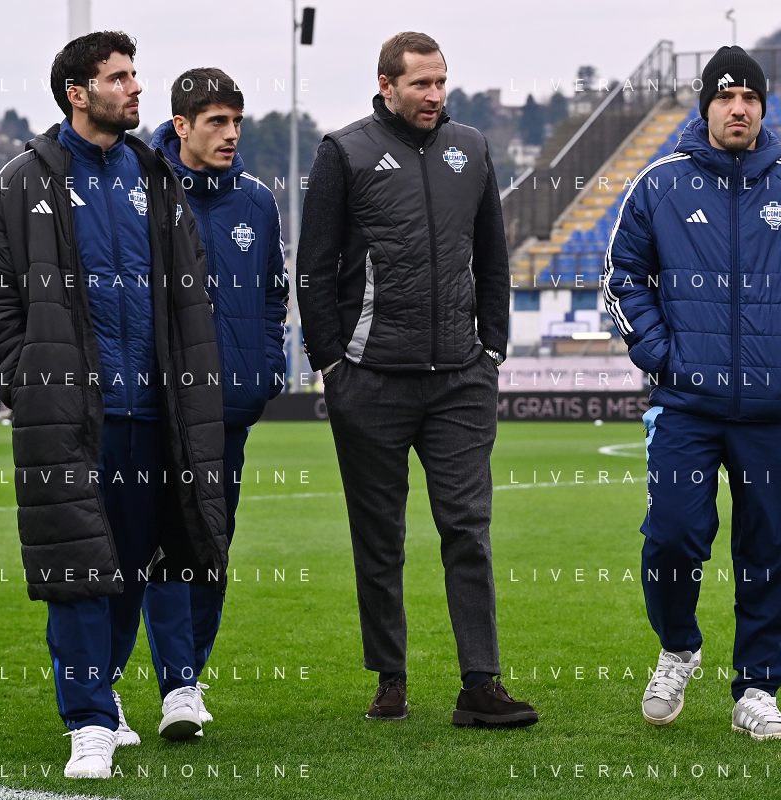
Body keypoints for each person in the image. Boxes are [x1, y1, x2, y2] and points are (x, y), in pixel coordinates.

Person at [0, 30, 227, 779]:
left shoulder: (156, 177)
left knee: (136, 569)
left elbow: (191, 287)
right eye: (119, 78)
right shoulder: (24, 180)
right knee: (77, 568)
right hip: (73, 414)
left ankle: (103, 694)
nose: (135, 87)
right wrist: (25, 373)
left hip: (157, 414)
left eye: (135, 75)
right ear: (78, 94)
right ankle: (87, 723)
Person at [297, 31, 537, 729]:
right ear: (387, 85)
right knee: (379, 537)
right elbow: (314, 268)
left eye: (440, 82)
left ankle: (481, 683)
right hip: (370, 379)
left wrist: (491, 350)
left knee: (467, 529)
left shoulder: (472, 148)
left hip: (461, 379)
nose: (434, 95)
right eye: (420, 84)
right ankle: (390, 678)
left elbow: (492, 259)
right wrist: (332, 364)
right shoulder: (344, 152)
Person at [605, 45, 781, 741]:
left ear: (762, 107)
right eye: (724, 96)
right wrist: (662, 358)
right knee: (672, 537)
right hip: (684, 405)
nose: (737, 108)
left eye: (749, 98)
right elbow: (623, 276)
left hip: (768, 411)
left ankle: (757, 691)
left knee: (771, 550)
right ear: (706, 104)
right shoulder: (660, 185)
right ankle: (678, 647)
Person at [147, 68, 288, 725]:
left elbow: (273, 294)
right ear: (181, 126)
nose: (232, 134)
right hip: (157, 407)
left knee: (210, 547)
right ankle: (165, 685)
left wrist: (265, 369)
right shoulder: (141, 191)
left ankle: (187, 681)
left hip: (229, 407)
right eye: (216, 122)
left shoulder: (257, 202)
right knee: (154, 547)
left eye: (237, 122)